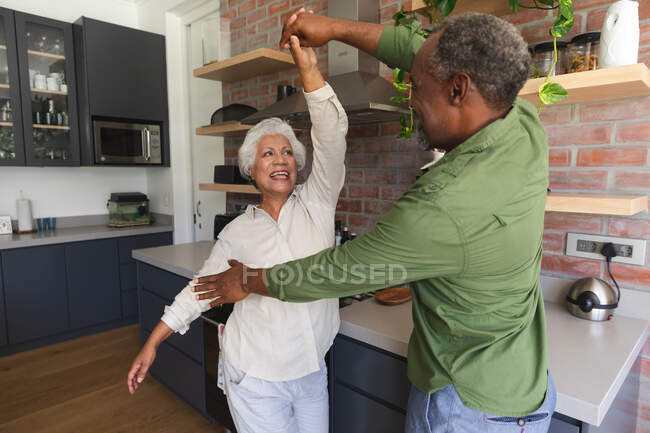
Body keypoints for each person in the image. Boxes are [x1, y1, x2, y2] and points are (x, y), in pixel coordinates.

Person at [192, 9, 557, 433]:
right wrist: (336, 27)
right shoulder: (522, 122)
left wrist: (251, 281)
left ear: (459, 88)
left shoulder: (442, 205)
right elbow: (416, 50)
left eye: (417, 88)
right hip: (523, 384)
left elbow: (342, 269)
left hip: (468, 406)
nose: (410, 99)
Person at [126, 32, 348, 433]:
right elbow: (201, 290)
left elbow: (331, 141)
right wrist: (153, 341)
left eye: (287, 153)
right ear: (251, 170)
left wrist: (310, 71)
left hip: (311, 373)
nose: (280, 159)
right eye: (268, 153)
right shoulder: (237, 231)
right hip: (256, 377)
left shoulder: (317, 204)